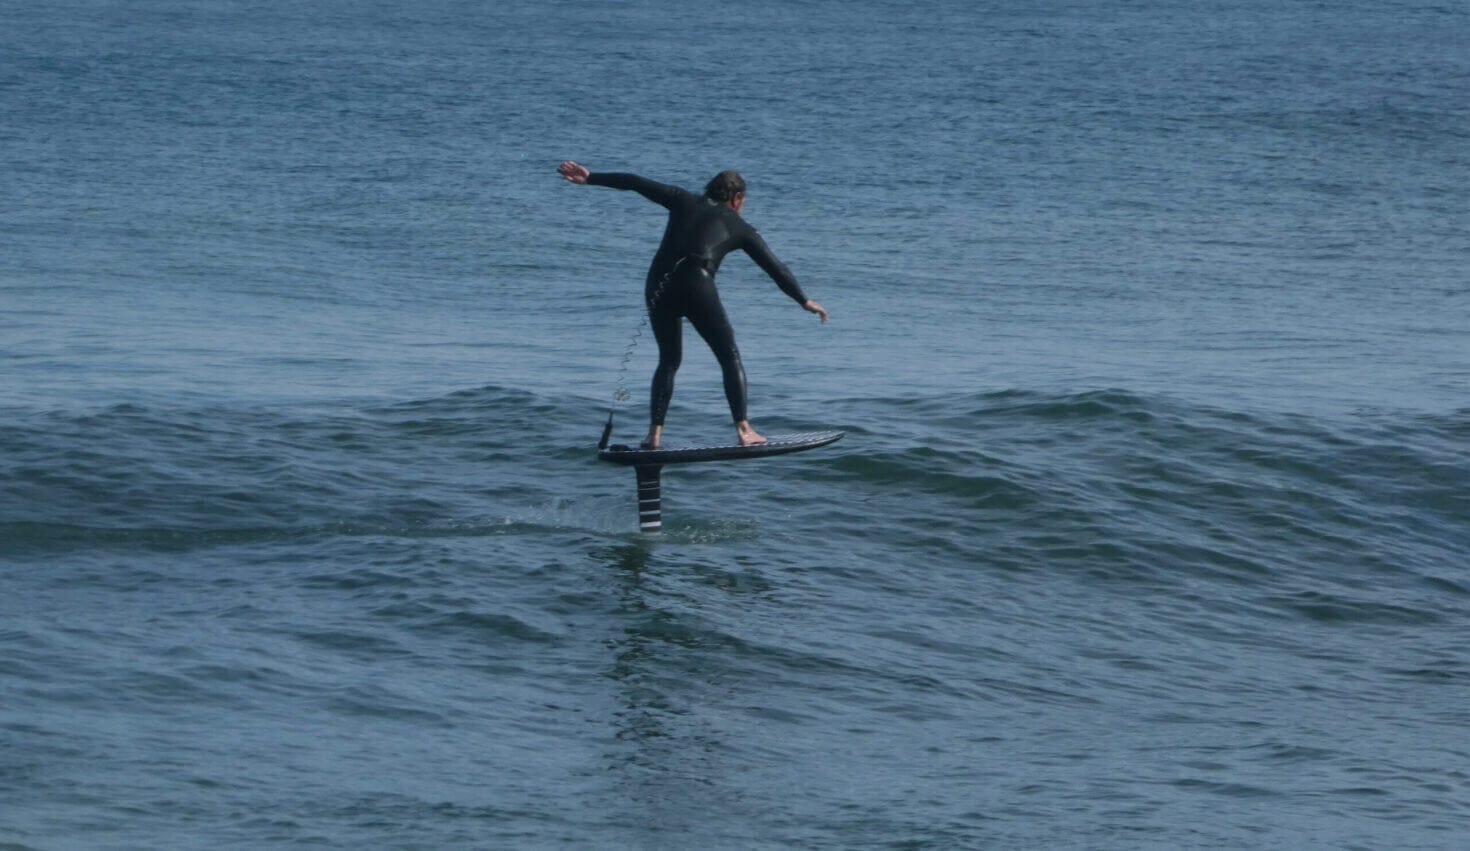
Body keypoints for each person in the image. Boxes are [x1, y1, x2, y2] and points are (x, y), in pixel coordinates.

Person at [557, 161, 827, 449]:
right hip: (697, 286)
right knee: (729, 355)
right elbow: (775, 267)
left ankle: (654, 435)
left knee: (669, 360)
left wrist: (591, 178)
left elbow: (635, 182)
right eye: (743, 201)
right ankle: (744, 430)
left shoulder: (681, 199)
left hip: (658, 283)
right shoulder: (738, 226)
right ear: (736, 198)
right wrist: (803, 300)